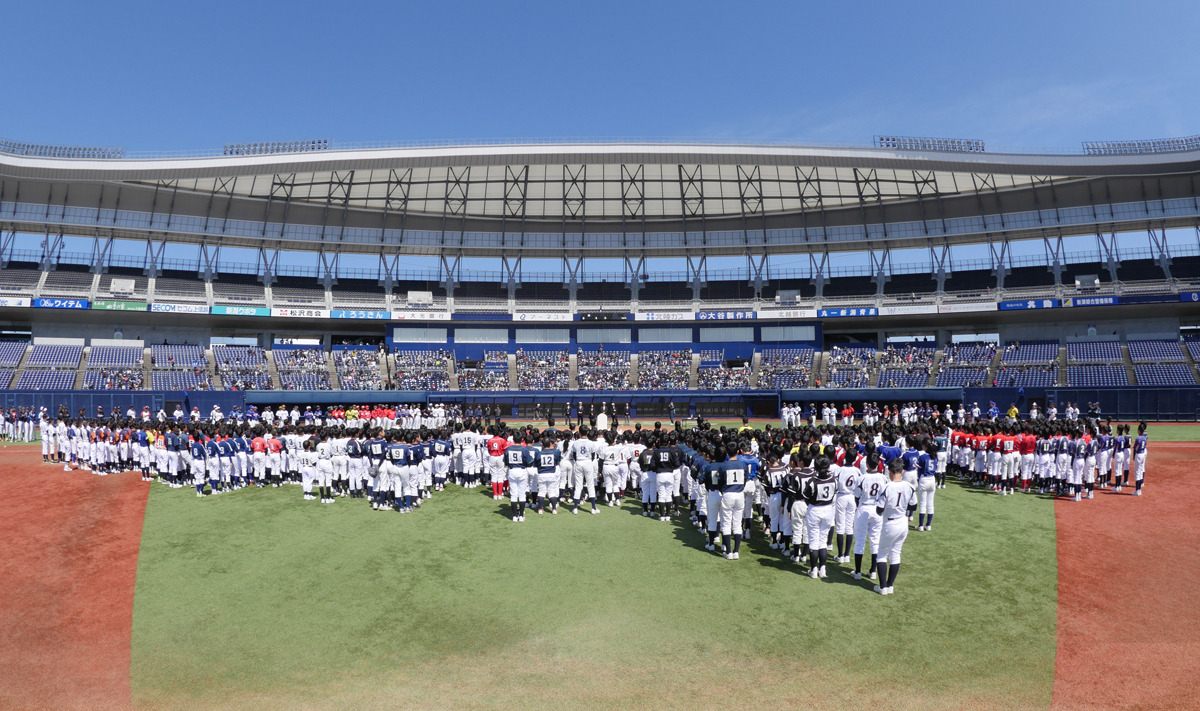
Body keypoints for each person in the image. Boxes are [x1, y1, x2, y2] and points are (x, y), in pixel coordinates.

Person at [875, 459, 916, 595]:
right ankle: (890, 585)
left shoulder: (887, 487)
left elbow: (879, 510)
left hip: (890, 522)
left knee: (882, 554)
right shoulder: (909, 486)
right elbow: (914, 506)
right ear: (902, 471)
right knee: (896, 553)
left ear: (889, 471)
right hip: (903, 522)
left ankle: (882, 587)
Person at [802, 455, 837, 577]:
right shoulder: (833, 480)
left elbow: (806, 497)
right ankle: (823, 569)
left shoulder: (813, 481)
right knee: (823, 541)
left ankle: (814, 570)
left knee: (813, 541)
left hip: (815, 510)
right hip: (828, 510)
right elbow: (834, 494)